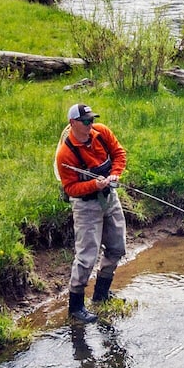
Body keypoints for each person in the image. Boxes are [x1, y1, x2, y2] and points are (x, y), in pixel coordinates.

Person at [56, 103, 128, 323]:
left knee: (117, 247)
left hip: (109, 198)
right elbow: (70, 189)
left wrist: (115, 175)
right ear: (72, 123)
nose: (90, 125)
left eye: (91, 120)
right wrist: (93, 186)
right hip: (85, 206)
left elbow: (119, 154)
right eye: (85, 121)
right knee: (87, 257)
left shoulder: (102, 133)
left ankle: (101, 295)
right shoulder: (65, 154)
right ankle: (76, 308)